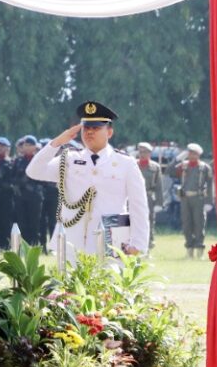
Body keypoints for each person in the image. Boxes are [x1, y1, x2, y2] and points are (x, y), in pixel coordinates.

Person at [26, 101, 149, 261]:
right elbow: (34, 171)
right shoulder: (69, 159)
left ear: (109, 132)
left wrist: (138, 244)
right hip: (73, 239)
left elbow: (138, 205)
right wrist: (56, 143)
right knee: (70, 286)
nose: (90, 132)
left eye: (96, 128)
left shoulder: (125, 163)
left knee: (107, 285)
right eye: (86, 128)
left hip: (112, 237)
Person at [172, 143, 212, 259]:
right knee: (187, 224)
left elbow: (210, 185)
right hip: (185, 198)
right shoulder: (183, 166)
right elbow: (170, 171)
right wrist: (178, 159)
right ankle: (189, 250)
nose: (191, 155)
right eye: (189, 153)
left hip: (198, 198)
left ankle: (199, 250)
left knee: (199, 224)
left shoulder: (204, 167)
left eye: (194, 153)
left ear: (199, 154)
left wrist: (209, 201)